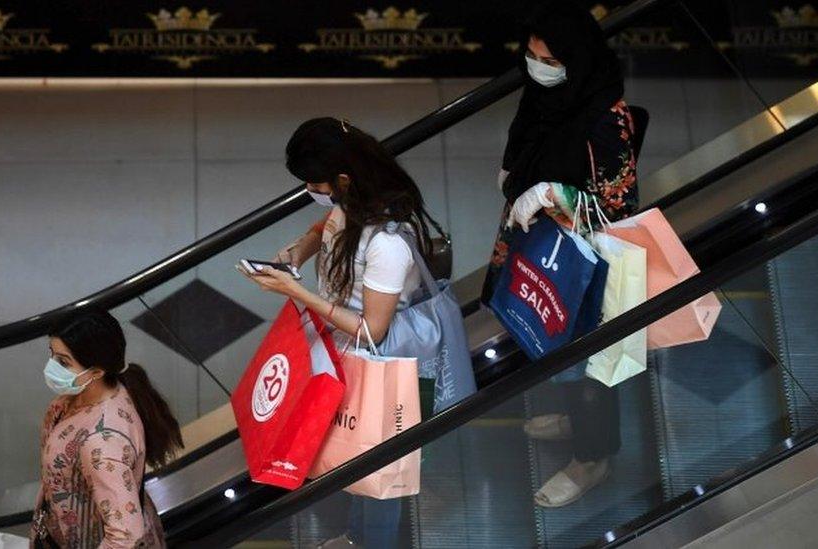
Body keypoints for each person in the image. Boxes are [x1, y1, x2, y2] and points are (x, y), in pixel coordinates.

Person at [241, 116, 435, 548]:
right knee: (353, 453)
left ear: (343, 179)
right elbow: (328, 223)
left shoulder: (386, 243)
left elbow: (374, 331)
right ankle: (355, 536)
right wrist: (301, 248)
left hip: (377, 365)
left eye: (316, 183)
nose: (313, 192)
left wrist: (297, 293)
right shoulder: (353, 200)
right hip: (342, 352)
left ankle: (373, 542)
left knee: (377, 466)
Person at [481, 1, 639, 508]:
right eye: (531, 54)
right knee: (549, 341)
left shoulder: (606, 118)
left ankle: (592, 457)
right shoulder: (545, 96)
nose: (536, 66)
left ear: (575, 59)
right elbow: (524, 142)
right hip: (536, 247)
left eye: (548, 59)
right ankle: (575, 420)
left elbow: (619, 203)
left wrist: (553, 193)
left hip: (581, 263)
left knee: (587, 361)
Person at [30, 309, 184, 548]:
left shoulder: (102, 443)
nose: (51, 367)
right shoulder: (85, 395)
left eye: (63, 362)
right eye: (52, 355)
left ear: (97, 371)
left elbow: (125, 535)